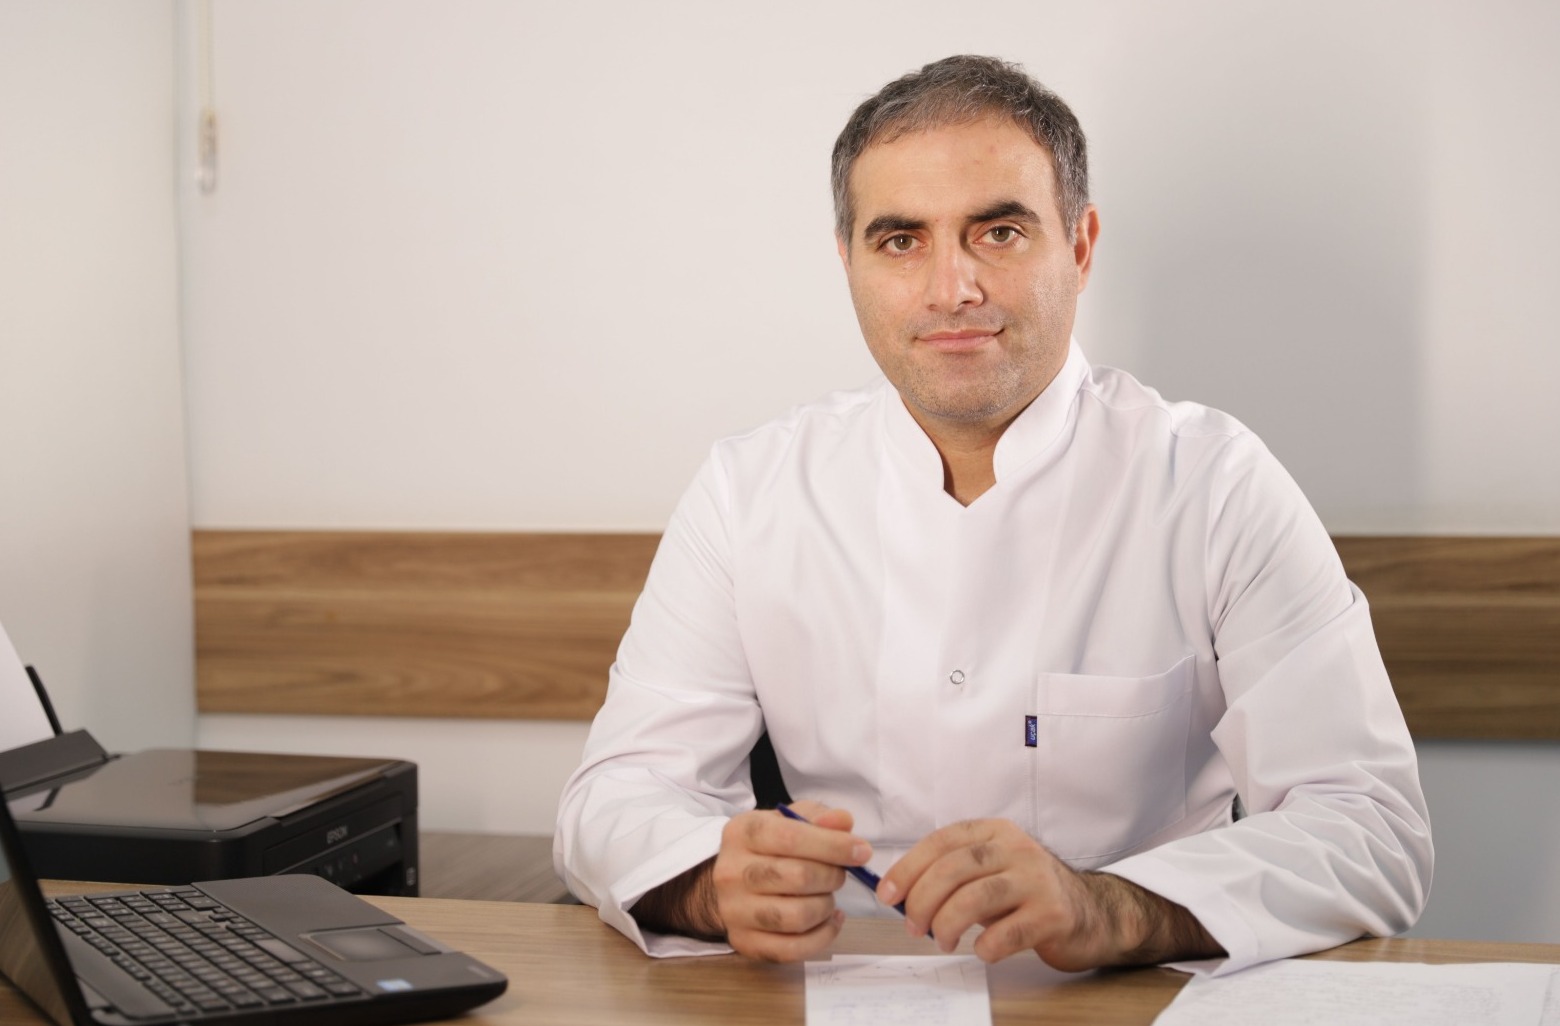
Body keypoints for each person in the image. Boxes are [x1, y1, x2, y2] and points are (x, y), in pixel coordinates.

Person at [553, 54, 1432, 975]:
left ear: (1080, 247)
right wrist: (709, 885)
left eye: (999, 232)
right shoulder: (749, 490)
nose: (951, 289)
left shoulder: (1214, 485)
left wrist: (1110, 908)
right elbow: (617, 796)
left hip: (1124, 995)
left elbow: (1371, 828)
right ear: (849, 262)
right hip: (835, 986)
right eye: (901, 241)